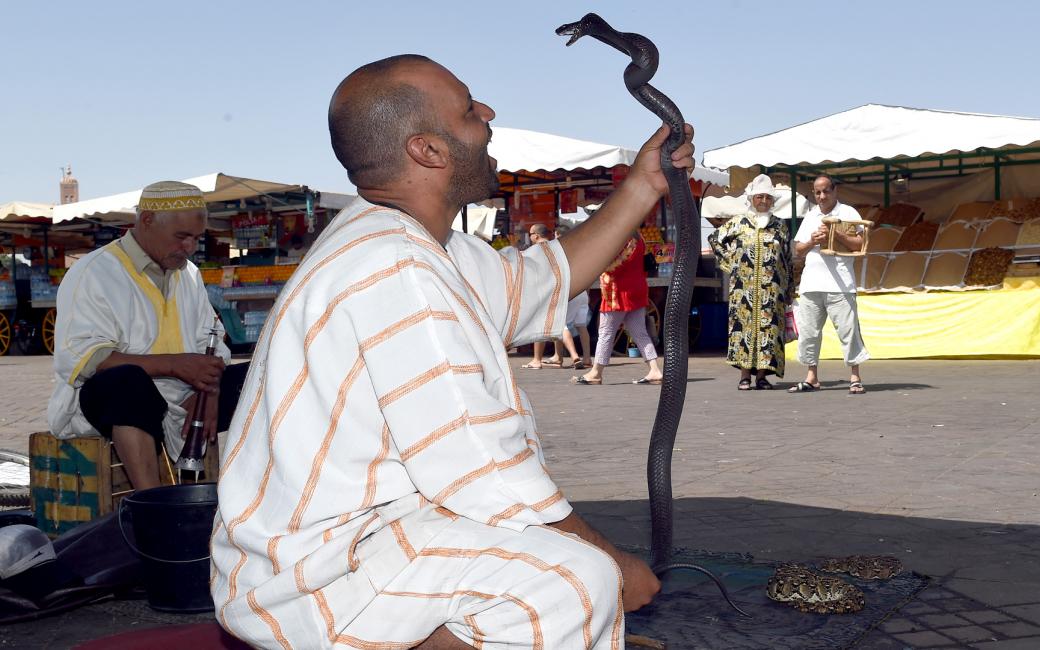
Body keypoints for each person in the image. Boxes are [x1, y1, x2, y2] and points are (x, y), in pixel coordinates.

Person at [210, 54, 695, 649]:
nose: (487, 114)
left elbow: (549, 274)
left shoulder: (413, 244)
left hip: (377, 536)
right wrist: (615, 566)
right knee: (574, 580)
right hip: (318, 572)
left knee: (563, 576)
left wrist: (643, 183)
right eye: (469, 110)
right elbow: (479, 467)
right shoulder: (392, 266)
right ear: (429, 152)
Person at [47, 181, 247, 491]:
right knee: (127, 383)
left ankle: (255, 498)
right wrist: (174, 365)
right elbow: (85, 359)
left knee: (260, 374)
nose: (190, 248)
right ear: (147, 220)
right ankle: (152, 504)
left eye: (196, 239)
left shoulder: (189, 275)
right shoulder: (94, 273)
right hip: (115, 403)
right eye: (181, 237)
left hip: (186, 399)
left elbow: (212, 342)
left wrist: (210, 389)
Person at [708, 174, 793, 391]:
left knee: (768, 332)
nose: (763, 200)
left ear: (772, 200)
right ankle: (744, 376)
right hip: (742, 289)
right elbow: (714, 240)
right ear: (751, 199)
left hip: (772, 290)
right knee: (743, 329)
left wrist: (789, 288)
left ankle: (762, 376)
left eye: (767, 197)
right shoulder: (738, 222)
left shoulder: (780, 226)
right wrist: (732, 264)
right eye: (759, 197)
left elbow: (787, 259)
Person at [788, 174, 870, 395]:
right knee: (809, 332)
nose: (822, 196)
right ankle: (811, 377)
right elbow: (798, 250)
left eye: (826, 191)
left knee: (848, 331)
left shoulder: (848, 213)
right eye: (817, 192)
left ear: (835, 191)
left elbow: (860, 244)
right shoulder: (811, 215)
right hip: (811, 284)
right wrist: (813, 241)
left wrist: (835, 235)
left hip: (841, 284)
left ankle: (855, 377)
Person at [573, 229, 663, 386]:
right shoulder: (638, 237)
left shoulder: (620, 238)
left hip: (617, 292)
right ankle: (654, 369)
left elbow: (611, 266)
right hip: (636, 289)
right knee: (640, 332)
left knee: (606, 333)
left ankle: (596, 372)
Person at [522, 223, 590, 369]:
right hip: (571, 288)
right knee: (573, 324)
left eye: (531, 233)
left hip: (548, 289)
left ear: (536, 235)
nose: (530, 236)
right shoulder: (559, 248)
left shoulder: (534, 250)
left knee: (549, 324)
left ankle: (540, 360)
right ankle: (563, 357)